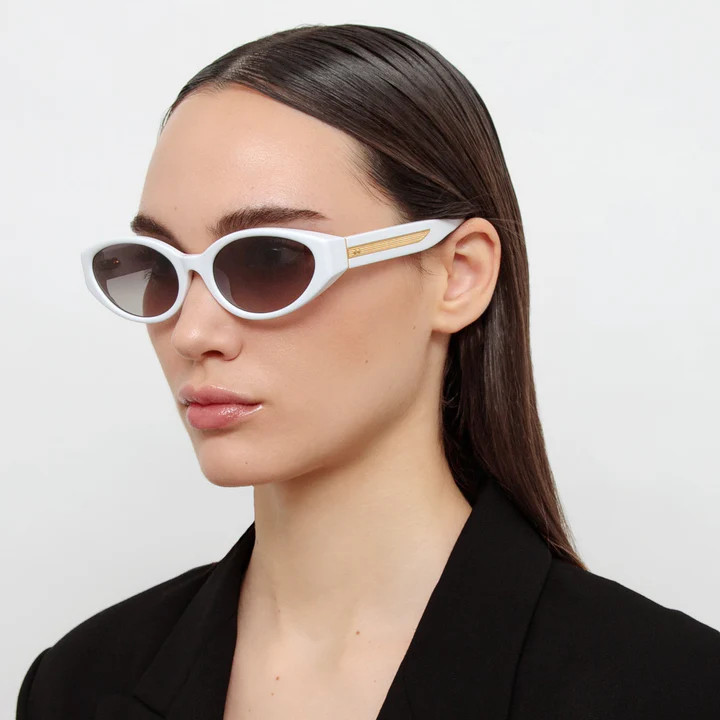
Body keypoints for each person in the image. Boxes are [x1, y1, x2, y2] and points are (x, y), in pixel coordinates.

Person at [17, 23, 720, 720]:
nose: (193, 333)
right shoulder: (75, 684)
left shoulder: (673, 690)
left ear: (458, 274)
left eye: (268, 260)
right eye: (156, 268)